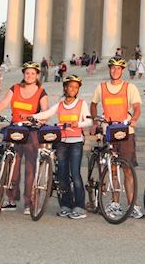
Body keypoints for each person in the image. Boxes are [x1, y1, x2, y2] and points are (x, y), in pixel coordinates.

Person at [0, 62, 49, 215]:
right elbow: (4, 102)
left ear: (37, 75)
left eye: (33, 73)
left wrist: (36, 119)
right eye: (27, 73)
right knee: (12, 167)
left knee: (31, 169)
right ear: (24, 74)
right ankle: (11, 199)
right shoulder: (15, 88)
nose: (29, 76)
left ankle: (29, 202)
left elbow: (45, 112)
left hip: (32, 132)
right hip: (15, 129)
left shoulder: (41, 92)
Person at [90, 56, 145, 219]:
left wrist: (134, 119)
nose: (115, 71)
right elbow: (93, 104)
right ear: (109, 69)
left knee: (128, 170)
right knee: (112, 169)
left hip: (126, 131)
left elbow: (137, 107)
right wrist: (95, 121)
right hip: (109, 131)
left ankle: (132, 205)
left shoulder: (130, 87)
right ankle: (115, 204)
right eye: (113, 68)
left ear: (122, 71)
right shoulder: (101, 87)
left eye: (118, 68)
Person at [31, 74, 92, 219]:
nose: (73, 89)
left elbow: (89, 122)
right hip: (61, 143)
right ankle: (65, 205)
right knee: (62, 175)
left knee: (75, 174)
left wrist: (78, 124)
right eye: (70, 86)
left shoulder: (81, 103)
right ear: (65, 87)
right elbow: (46, 113)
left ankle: (79, 206)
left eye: (75, 87)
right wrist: (31, 116)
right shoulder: (59, 105)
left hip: (76, 142)